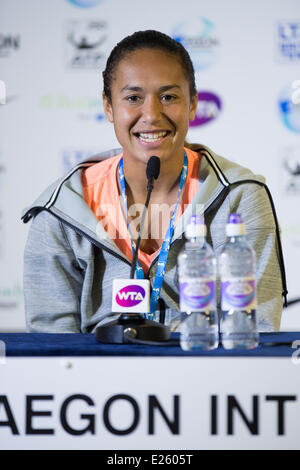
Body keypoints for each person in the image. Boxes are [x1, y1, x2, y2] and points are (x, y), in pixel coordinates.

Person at [22, 30, 285, 333]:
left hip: (209, 375)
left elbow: (255, 331)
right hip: (96, 379)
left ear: (192, 104)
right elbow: (52, 350)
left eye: (169, 97)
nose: (151, 114)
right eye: (133, 98)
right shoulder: (62, 208)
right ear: (108, 106)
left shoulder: (240, 198)